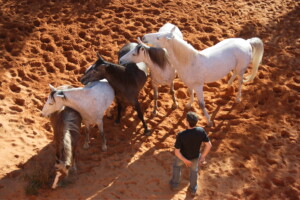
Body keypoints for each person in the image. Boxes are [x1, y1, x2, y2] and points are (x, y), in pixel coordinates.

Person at [169, 111, 212, 196]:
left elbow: (177, 152)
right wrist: (202, 157)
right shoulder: (201, 131)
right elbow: (209, 145)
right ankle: (193, 190)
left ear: (187, 122)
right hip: (195, 157)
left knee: (177, 167)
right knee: (194, 172)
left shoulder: (181, 135)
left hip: (182, 157)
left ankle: (174, 185)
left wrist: (185, 160)